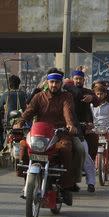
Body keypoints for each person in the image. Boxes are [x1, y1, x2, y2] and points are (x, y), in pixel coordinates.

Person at [14, 68, 77, 205]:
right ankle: (25, 176)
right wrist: (20, 122)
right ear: (47, 82)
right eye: (52, 82)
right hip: (40, 135)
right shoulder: (39, 97)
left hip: (59, 134)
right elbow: (29, 111)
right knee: (24, 145)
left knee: (66, 148)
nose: (54, 85)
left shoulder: (66, 97)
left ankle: (66, 186)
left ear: (61, 83)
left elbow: (68, 112)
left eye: (57, 82)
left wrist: (70, 125)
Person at [0, 75, 27, 149]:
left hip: (9, 125)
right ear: (19, 84)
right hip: (23, 124)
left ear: (9, 84)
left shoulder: (5, 95)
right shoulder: (24, 94)